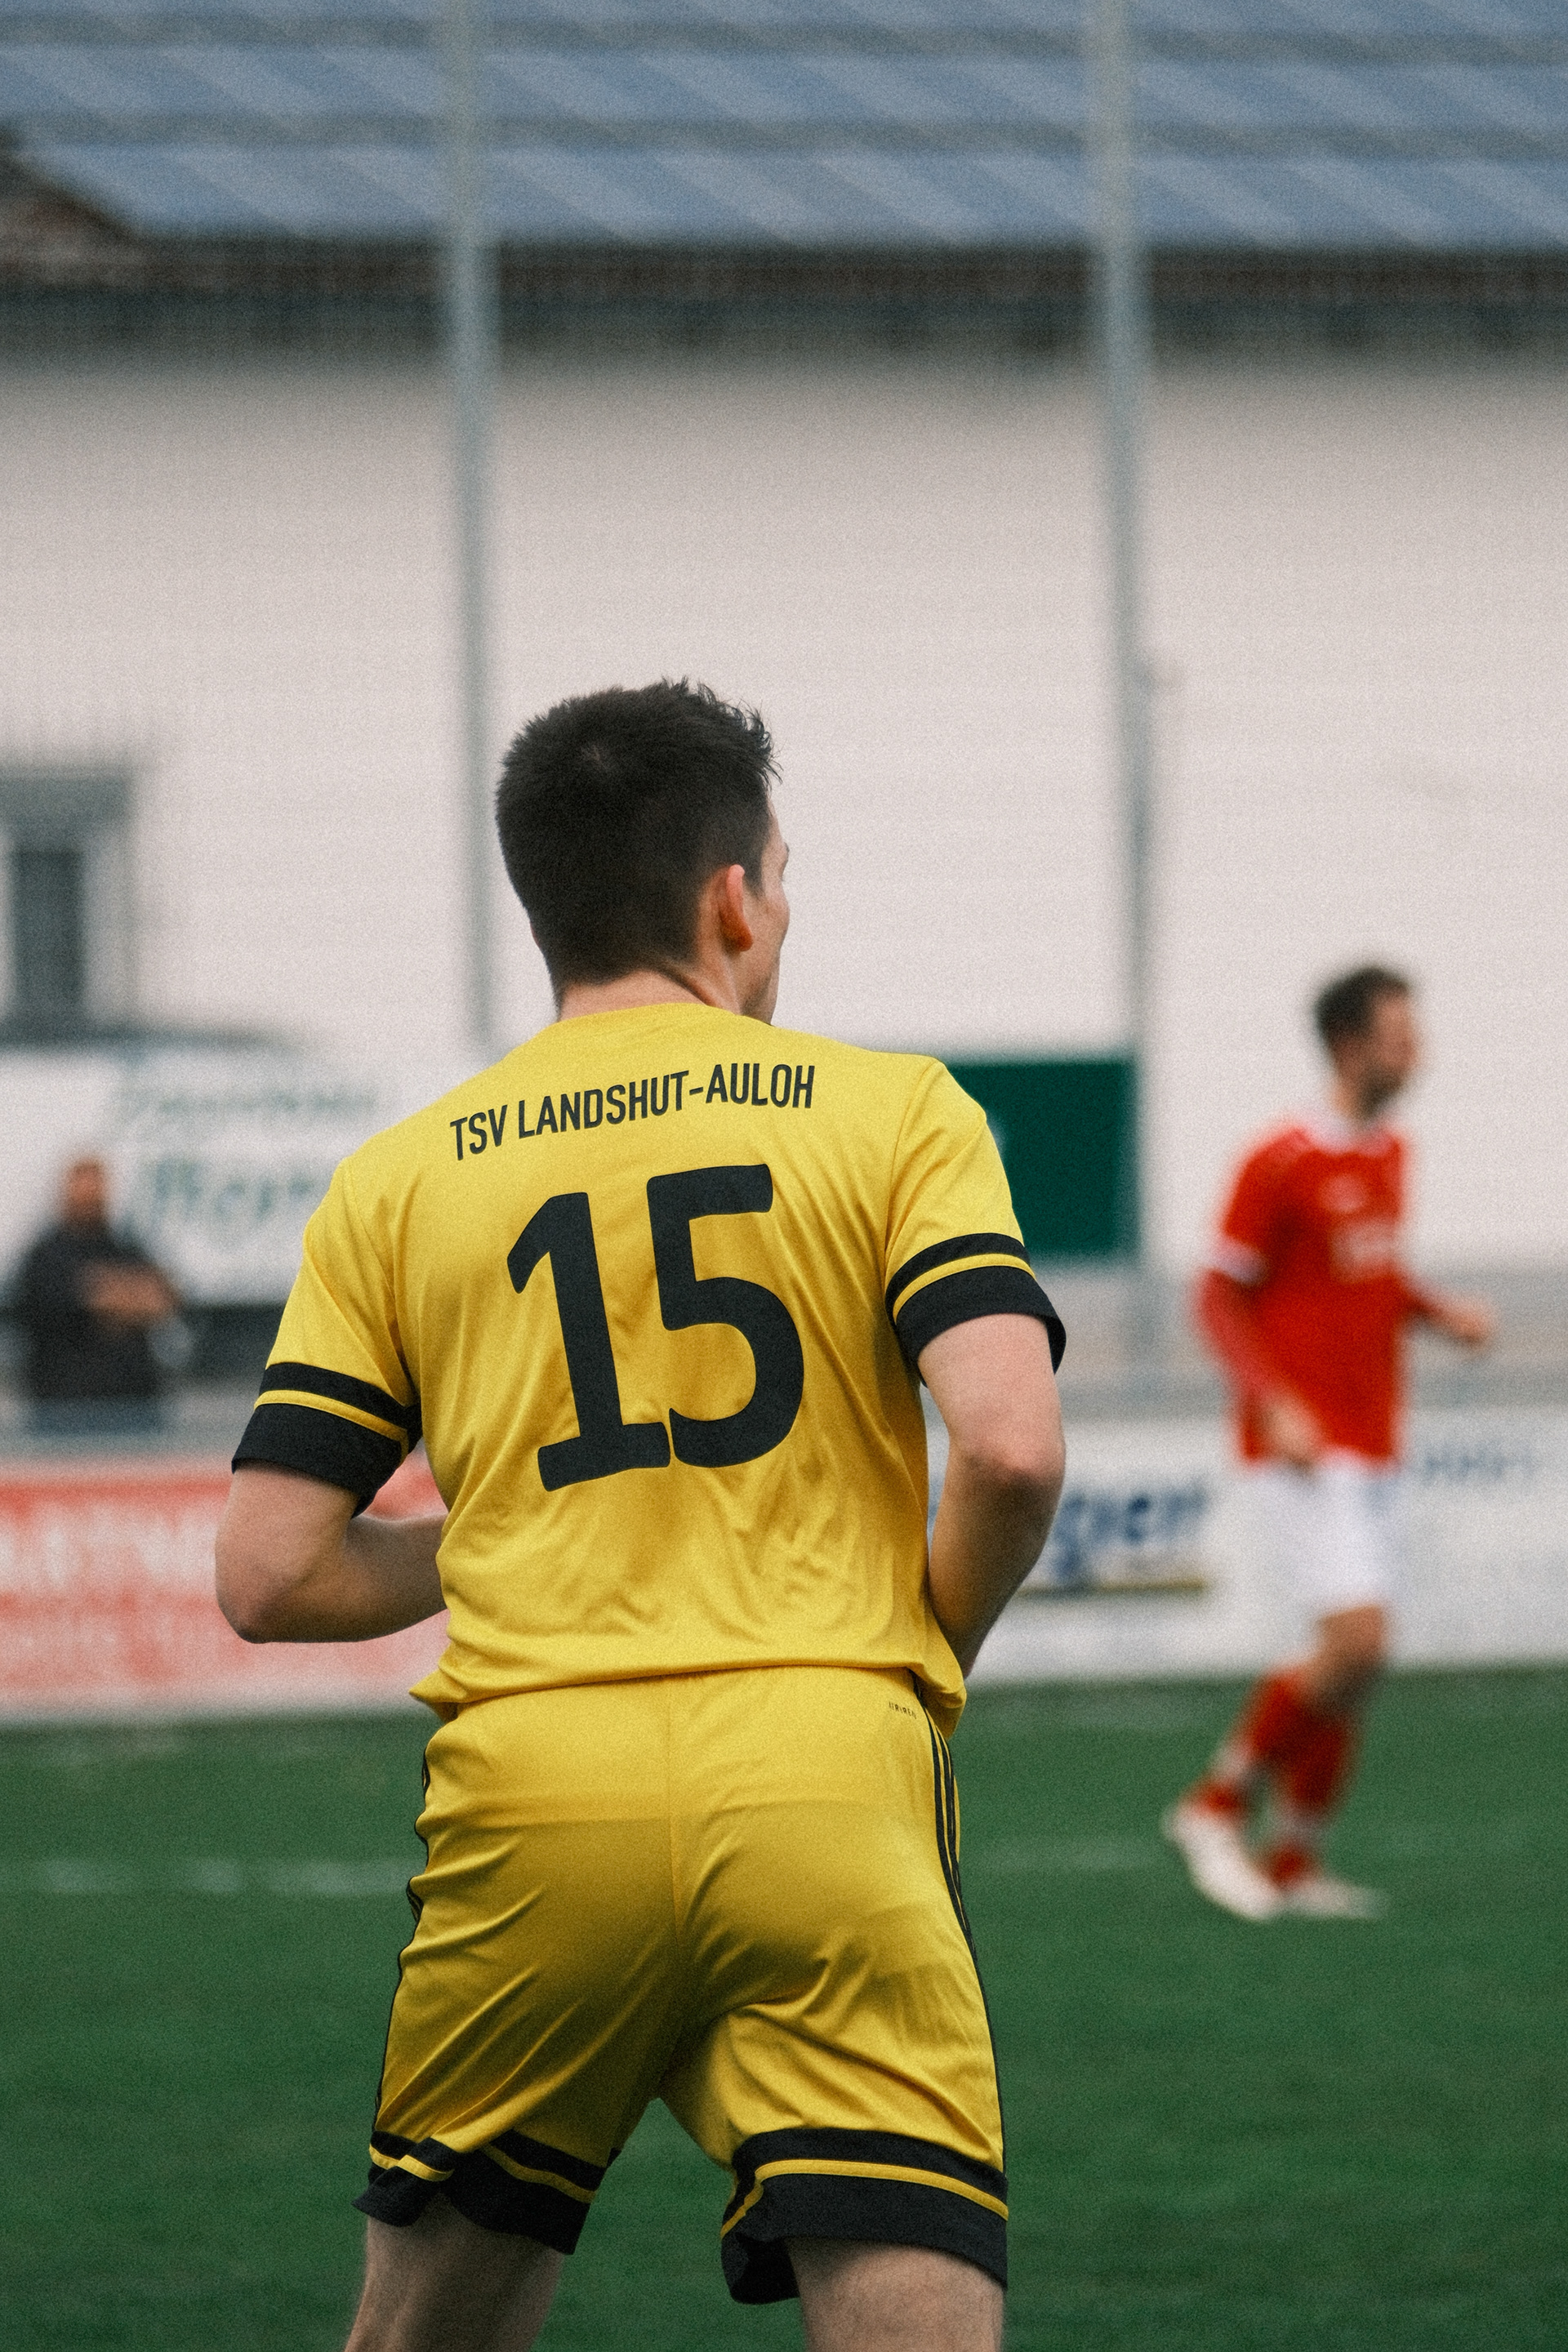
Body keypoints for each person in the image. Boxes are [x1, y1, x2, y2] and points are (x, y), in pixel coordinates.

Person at [215, 679, 1067, 2352]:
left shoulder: (398, 1178)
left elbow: (269, 1572)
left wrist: (514, 1526)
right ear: (733, 900)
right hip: (830, 1766)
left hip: (536, 1794)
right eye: (784, 879)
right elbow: (1013, 1451)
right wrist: (921, 1639)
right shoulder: (898, 1111)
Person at [1165, 965, 1492, 1922]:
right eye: (1398, 1037)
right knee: (1356, 1643)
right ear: (1350, 1046)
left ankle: (1294, 1863)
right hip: (1305, 1448)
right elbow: (1216, 1294)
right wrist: (1273, 1403)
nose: (1416, 1053)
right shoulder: (1281, 1158)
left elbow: (1371, 1280)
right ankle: (1213, 1805)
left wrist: (1437, 1313)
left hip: (1376, 1437)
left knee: (1359, 1661)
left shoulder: (1390, 1153)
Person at [12, 1155, 178, 1437]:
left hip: (135, 1412)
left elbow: (164, 1298)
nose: (91, 1198)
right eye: (83, 1191)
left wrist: (110, 1296)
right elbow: (81, 1300)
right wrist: (126, 1298)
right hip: (64, 1415)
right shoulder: (45, 1256)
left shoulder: (125, 1247)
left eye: (97, 1191)